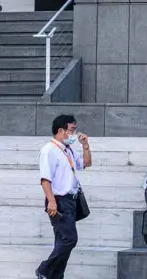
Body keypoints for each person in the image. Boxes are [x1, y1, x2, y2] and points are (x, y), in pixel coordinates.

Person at [36, 114, 92, 279]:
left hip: (71, 200)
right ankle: (44, 269)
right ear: (61, 131)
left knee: (62, 241)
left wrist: (85, 146)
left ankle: (56, 276)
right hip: (59, 200)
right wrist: (51, 202)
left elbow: (86, 163)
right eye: (72, 130)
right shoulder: (49, 150)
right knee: (69, 239)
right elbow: (45, 179)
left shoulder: (67, 150)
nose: (74, 134)